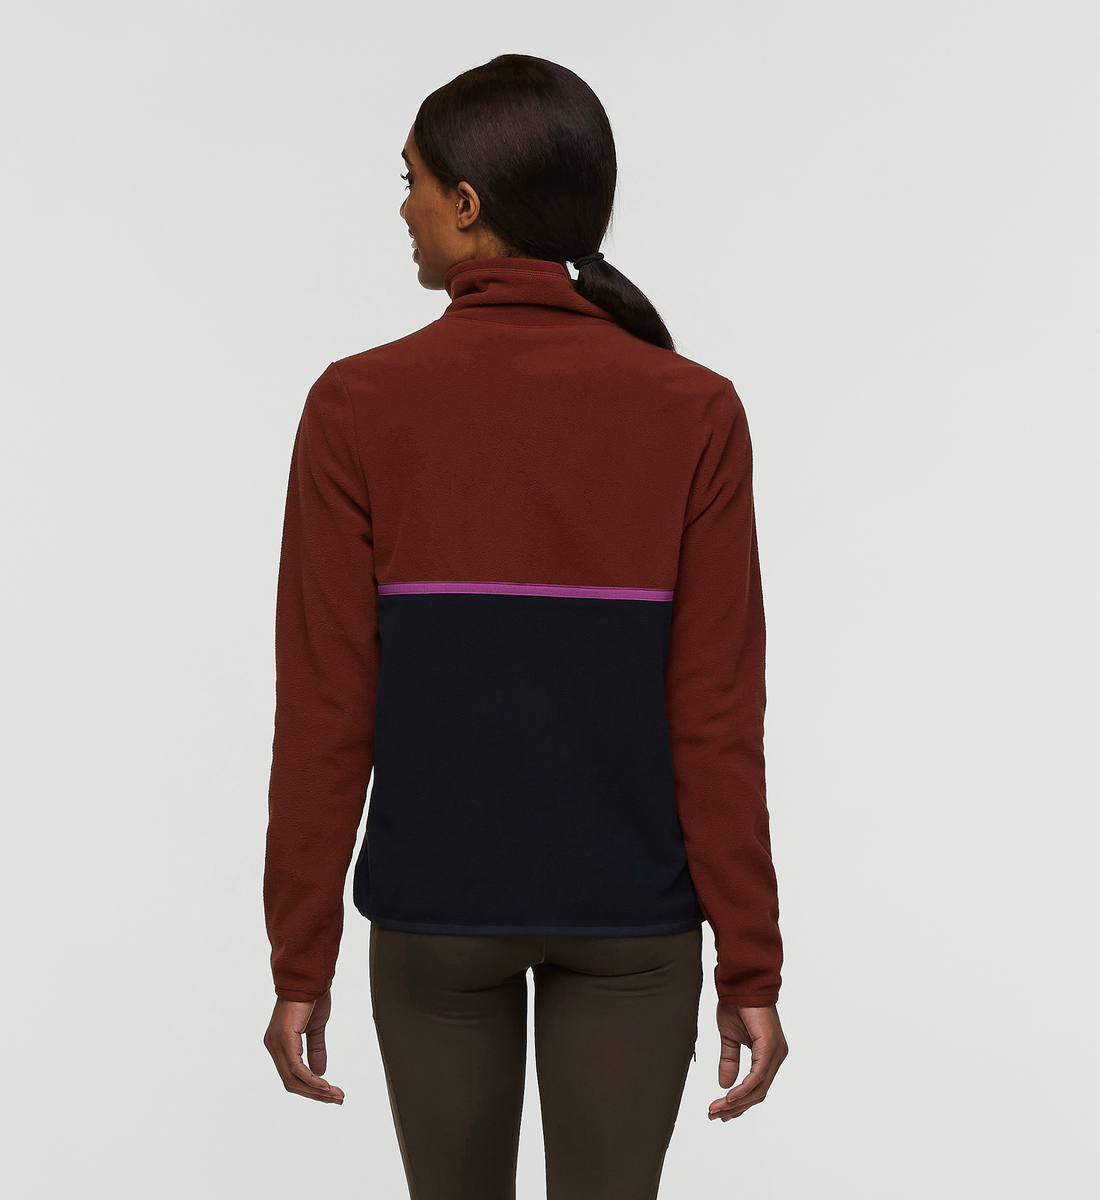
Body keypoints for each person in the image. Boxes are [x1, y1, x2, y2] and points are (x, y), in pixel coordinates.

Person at [262, 53, 787, 1200]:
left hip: (436, 915)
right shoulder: (695, 409)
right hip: (634, 924)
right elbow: (714, 714)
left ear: (467, 203)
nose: (402, 207)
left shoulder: (355, 405)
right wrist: (750, 958)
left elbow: (326, 705)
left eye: (410, 180)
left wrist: (300, 955)